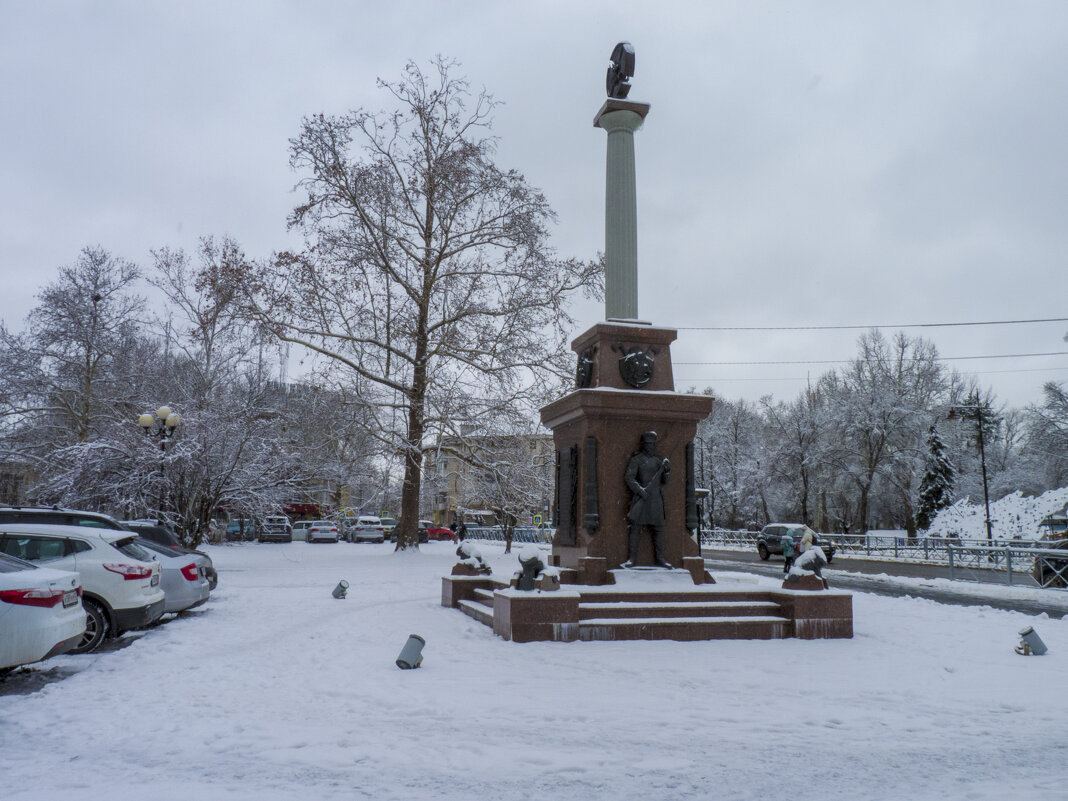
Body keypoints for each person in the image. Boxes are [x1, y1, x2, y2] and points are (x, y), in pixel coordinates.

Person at [623, 430, 672, 568]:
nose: (650, 446)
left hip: (656, 498)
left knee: (658, 529)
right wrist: (640, 490)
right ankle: (631, 558)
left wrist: (666, 470)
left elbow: (665, 481)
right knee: (635, 528)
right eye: (647, 444)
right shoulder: (637, 459)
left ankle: (660, 558)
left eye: (652, 444)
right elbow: (629, 478)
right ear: (643, 445)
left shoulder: (658, 460)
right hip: (642, 497)